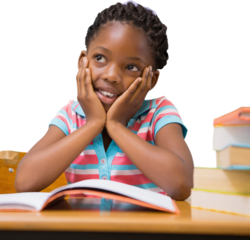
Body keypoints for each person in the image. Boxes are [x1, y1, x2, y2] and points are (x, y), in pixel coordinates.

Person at [15, 0, 195, 201]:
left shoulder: (159, 113)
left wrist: (117, 126)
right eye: (100, 58)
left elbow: (180, 184)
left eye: (131, 67)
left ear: (152, 79)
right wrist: (93, 124)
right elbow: (24, 181)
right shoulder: (70, 115)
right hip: (85, 232)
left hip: (144, 233)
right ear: (83, 61)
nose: (111, 76)